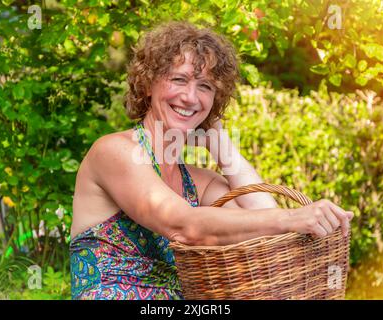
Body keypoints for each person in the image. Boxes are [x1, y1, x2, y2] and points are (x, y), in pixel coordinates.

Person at [69, 21, 354, 300]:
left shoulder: (198, 183)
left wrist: (221, 145)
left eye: (205, 86)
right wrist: (294, 218)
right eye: (178, 79)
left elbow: (261, 226)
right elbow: (184, 226)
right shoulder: (115, 151)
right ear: (147, 85)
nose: (190, 97)